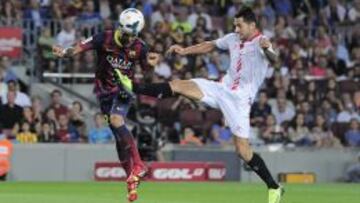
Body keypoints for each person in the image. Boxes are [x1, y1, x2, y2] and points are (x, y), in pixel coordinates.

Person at [115, 7, 283, 203]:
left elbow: (275, 59)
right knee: (179, 85)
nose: (236, 29)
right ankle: (134, 87)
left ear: (252, 25)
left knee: (243, 151)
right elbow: (209, 45)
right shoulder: (232, 38)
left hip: (239, 101)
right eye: (235, 25)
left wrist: (266, 48)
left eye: (240, 25)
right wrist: (184, 51)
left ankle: (274, 187)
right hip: (221, 89)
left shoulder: (262, 42)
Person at [52, 8, 159, 202]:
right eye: (126, 35)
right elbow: (76, 49)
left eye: (132, 36)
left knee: (118, 121)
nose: (128, 40)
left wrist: (151, 66)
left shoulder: (140, 47)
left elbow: (147, 74)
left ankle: (139, 164)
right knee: (119, 139)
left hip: (124, 90)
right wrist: (63, 53)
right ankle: (131, 180)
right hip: (103, 93)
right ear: (120, 27)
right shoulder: (104, 37)